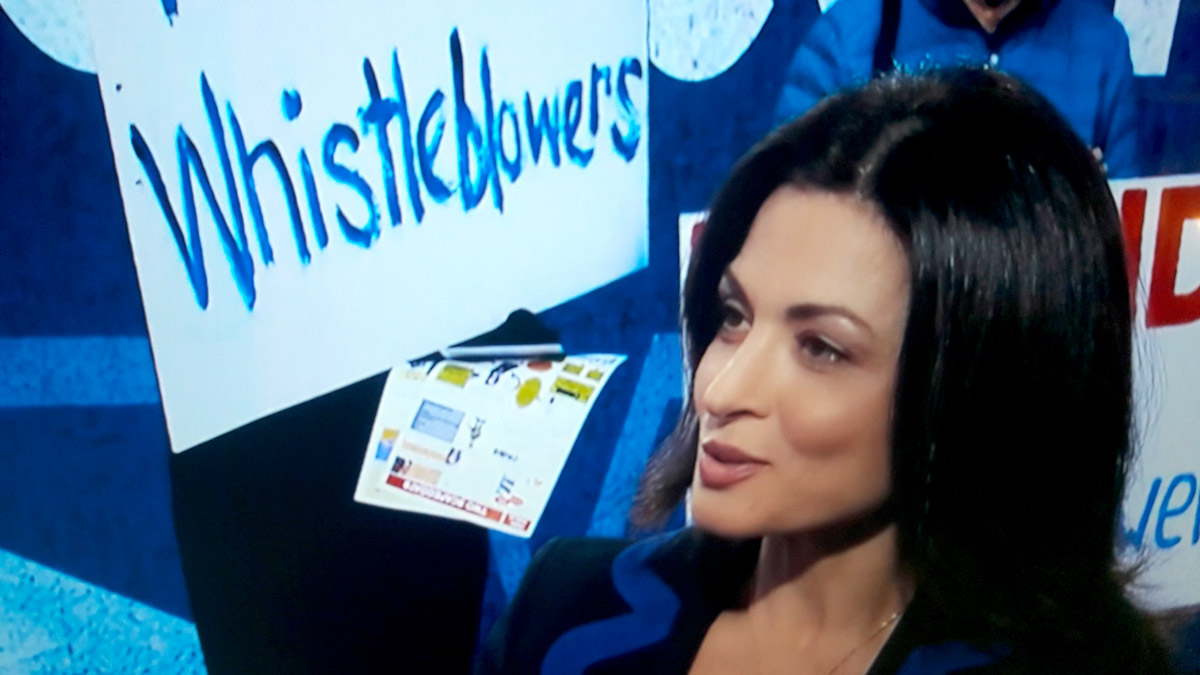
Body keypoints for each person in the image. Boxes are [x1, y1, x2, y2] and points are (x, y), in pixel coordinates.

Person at [476, 68, 1172, 674]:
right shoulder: (561, 612)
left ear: (972, 392)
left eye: (821, 349)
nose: (720, 389)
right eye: (733, 315)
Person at [773, 0, 1141, 178]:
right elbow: (785, 196)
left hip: (1048, 303)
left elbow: (1128, 218)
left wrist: (1086, 199)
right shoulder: (850, 35)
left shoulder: (1103, 44)